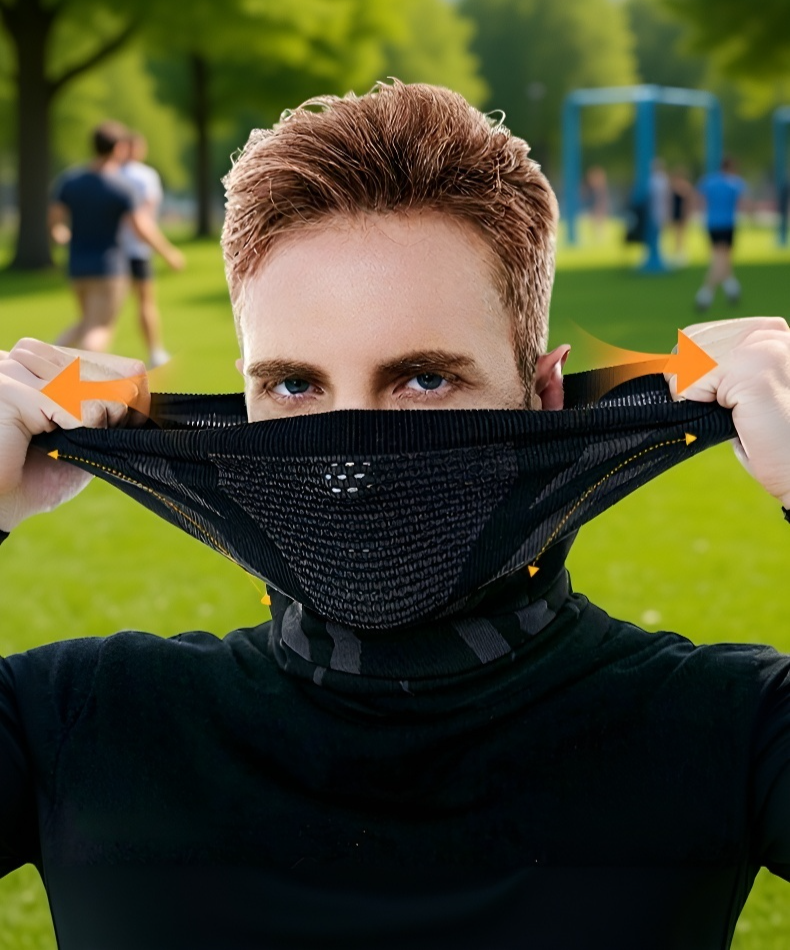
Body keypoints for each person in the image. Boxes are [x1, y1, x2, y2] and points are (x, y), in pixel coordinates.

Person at [0, 82, 788, 949]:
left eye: (423, 378)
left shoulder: (727, 728)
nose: (354, 461)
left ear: (544, 394)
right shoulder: (76, 721)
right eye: (296, 386)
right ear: (247, 398)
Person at [49, 121, 185, 354]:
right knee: (100, 328)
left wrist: (61, 235)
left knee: (88, 322)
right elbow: (142, 227)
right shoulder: (121, 187)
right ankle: (78, 376)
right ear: (119, 148)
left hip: (77, 267)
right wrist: (169, 253)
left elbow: (55, 222)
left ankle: (45, 358)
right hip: (108, 268)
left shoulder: (70, 181)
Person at [119, 132, 172, 369]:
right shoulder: (145, 176)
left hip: (112, 251)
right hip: (138, 249)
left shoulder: (111, 173)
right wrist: (166, 251)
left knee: (105, 312)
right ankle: (155, 352)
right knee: (145, 303)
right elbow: (145, 217)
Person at [694, 156, 748, 311]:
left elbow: (700, 199)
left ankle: (732, 288)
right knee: (721, 259)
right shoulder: (734, 183)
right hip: (727, 225)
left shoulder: (709, 181)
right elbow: (742, 202)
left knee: (721, 258)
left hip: (711, 224)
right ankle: (705, 294)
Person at [669, 165, 694, 263]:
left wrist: (687, 212)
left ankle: (681, 253)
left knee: (681, 233)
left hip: (681, 212)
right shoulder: (673, 186)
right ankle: (675, 252)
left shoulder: (685, 186)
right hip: (675, 211)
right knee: (674, 233)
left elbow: (688, 200)